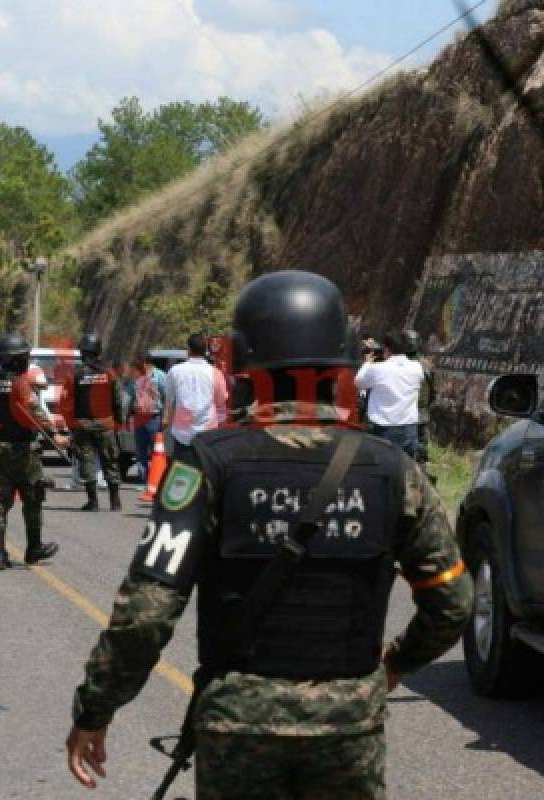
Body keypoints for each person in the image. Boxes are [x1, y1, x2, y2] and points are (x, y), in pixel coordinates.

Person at [66, 270, 472, 798]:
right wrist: (394, 666)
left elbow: (146, 612)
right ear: (343, 361)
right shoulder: (392, 469)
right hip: (347, 726)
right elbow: (453, 601)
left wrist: (96, 709)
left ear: (242, 362)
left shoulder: (205, 465)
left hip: (236, 724)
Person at [0, 334, 69, 570]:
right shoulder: (21, 384)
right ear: (16, 360)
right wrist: (56, 435)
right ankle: (33, 549)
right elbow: (36, 413)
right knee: (32, 499)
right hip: (23, 451)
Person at [60, 333, 123, 512]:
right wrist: (118, 422)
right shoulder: (109, 374)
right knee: (110, 460)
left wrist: (70, 424)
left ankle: (93, 502)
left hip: (83, 426)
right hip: (106, 425)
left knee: (86, 462)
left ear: (83, 352)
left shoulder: (75, 375)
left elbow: (66, 403)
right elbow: (118, 400)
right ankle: (115, 501)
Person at [355, 332, 424, 460]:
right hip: (409, 429)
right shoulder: (417, 367)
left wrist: (367, 363)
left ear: (386, 349)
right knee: (406, 470)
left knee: (382, 468)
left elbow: (359, 382)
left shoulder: (377, 369)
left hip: (384, 430)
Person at [163, 333, 228, 461]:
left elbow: (169, 400)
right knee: (206, 475)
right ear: (205, 351)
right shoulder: (215, 373)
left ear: (189, 350)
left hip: (182, 433)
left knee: (182, 474)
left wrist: (166, 422)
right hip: (207, 432)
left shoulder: (175, 371)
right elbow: (221, 400)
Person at [132, 354, 167, 485]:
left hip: (154, 418)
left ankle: (156, 481)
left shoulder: (160, 376)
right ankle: (143, 481)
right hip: (139, 418)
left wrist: (165, 417)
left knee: (156, 451)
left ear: (146, 363)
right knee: (140, 451)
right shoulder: (138, 377)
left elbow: (167, 396)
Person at [403, 330, 436, 467]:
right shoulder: (426, 365)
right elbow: (433, 391)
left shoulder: (400, 364)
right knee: (420, 449)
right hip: (420, 412)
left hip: (407, 412)